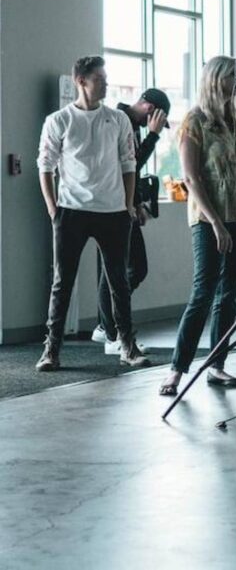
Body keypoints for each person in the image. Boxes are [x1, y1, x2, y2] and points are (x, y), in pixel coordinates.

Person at [36, 55, 150, 371]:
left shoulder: (119, 119)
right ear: (81, 81)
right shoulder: (59, 120)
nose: (106, 83)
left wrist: (128, 205)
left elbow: (129, 164)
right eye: (100, 78)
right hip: (71, 211)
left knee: (119, 282)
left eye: (105, 78)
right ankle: (51, 350)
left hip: (113, 212)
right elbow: (44, 166)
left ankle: (127, 346)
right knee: (63, 282)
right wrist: (52, 209)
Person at [159, 57, 236, 396]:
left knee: (228, 296)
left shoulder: (230, 122)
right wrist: (216, 223)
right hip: (208, 220)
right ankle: (176, 370)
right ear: (215, 80)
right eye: (231, 77)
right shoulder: (194, 122)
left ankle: (218, 366)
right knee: (203, 293)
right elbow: (192, 177)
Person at [90, 88, 170, 356]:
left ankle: (108, 324)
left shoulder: (131, 124)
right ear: (151, 109)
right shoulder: (119, 120)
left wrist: (137, 203)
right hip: (112, 208)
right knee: (119, 270)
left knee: (133, 269)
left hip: (125, 207)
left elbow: (128, 170)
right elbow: (131, 165)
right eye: (159, 119)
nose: (156, 125)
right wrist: (155, 136)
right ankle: (110, 331)